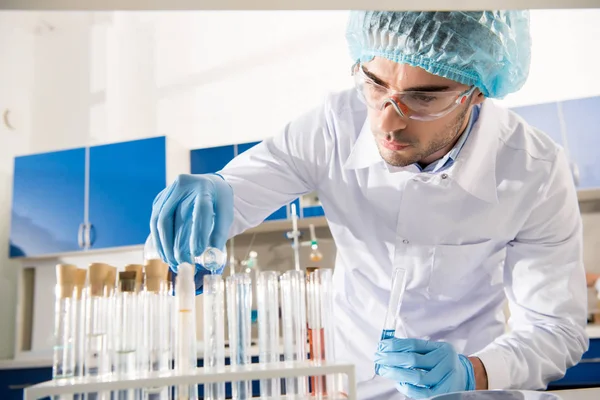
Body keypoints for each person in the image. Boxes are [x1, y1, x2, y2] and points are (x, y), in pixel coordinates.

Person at [149, 10, 589, 399]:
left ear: (476, 93)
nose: (387, 120)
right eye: (376, 84)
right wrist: (209, 197)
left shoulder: (534, 169)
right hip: (348, 384)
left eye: (422, 98)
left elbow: (556, 329)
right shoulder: (334, 125)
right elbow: (239, 188)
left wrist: (472, 373)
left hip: (466, 385)